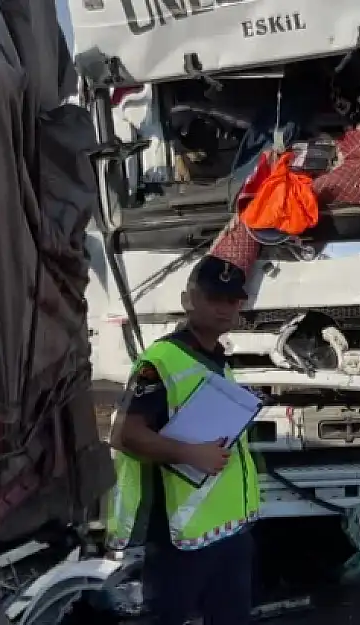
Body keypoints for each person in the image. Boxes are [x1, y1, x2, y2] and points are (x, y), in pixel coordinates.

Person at [107, 255, 261, 625]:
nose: (225, 308)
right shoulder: (159, 360)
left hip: (227, 530)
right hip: (180, 535)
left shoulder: (216, 359)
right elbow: (125, 435)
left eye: (233, 300)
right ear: (188, 299)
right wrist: (191, 454)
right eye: (214, 298)